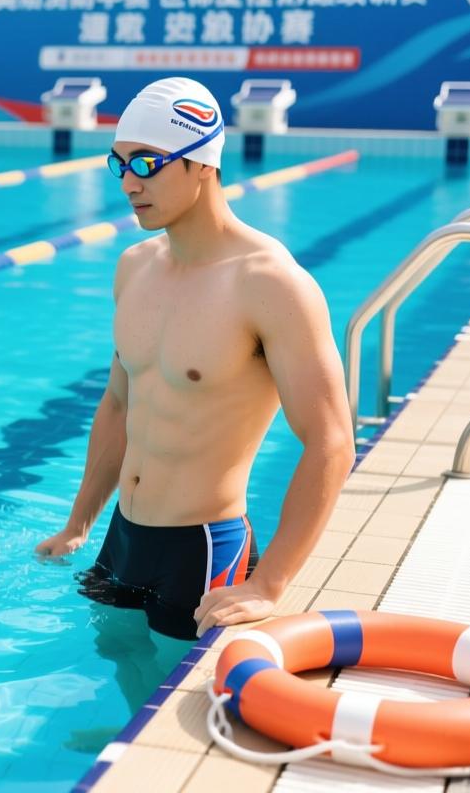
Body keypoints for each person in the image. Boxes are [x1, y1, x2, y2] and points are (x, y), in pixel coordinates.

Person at [35, 77, 355, 642]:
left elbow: (331, 440)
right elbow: (117, 403)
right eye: (121, 164)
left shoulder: (270, 284)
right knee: (116, 670)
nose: (130, 182)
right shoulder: (134, 266)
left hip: (202, 548)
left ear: (202, 162)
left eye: (148, 163)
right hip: (122, 536)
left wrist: (270, 584)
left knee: (165, 698)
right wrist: (78, 523)